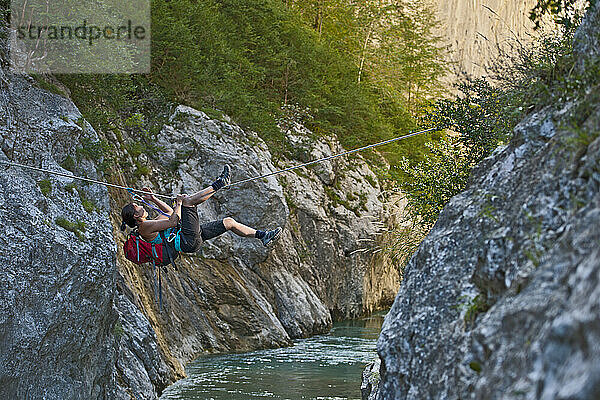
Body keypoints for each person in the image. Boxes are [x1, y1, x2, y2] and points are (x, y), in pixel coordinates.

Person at [120, 165, 282, 255]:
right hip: (186, 240)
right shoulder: (145, 227)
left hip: (188, 239)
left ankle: (263, 236)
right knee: (189, 202)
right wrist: (180, 203)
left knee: (229, 222)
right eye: (138, 206)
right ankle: (220, 183)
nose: (141, 206)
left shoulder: (151, 224)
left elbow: (169, 212)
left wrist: (153, 199)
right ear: (136, 215)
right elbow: (173, 221)